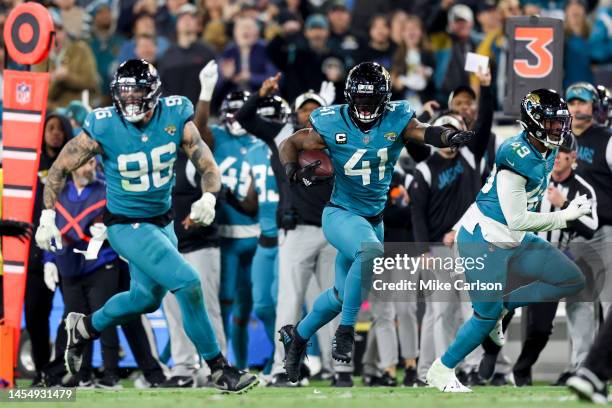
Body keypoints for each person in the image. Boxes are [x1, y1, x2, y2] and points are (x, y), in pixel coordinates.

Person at [34, 59, 257, 394]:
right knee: (189, 282)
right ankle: (219, 368)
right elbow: (60, 167)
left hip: (161, 221)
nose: (132, 99)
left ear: (153, 92)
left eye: (138, 91)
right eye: (125, 92)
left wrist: (209, 197)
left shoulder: (175, 114)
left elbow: (205, 159)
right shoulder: (104, 124)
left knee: (145, 299)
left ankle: (83, 328)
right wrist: (48, 215)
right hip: (125, 224)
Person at [277, 61, 473, 383]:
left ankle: (296, 336)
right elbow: (291, 143)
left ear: (383, 98)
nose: (366, 107)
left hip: (374, 218)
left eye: (372, 100)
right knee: (370, 252)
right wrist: (291, 172)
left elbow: (423, 132)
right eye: (361, 99)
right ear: (350, 96)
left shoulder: (397, 117)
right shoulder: (329, 121)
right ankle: (346, 330)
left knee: (342, 295)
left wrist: (448, 136)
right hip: (340, 214)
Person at [426, 89, 590, 393]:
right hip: (485, 238)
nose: (559, 128)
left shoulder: (548, 147)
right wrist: (565, 215)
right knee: (484, 317)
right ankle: (441, 369)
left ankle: (504, 304)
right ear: (534, 122)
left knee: (571, 280)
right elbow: (517, 218)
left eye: (561, 122)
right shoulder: (515, 153)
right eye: (553, 123)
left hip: (514, 237)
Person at [233, 74, 353, 387]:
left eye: (316, 109)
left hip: (333, 228)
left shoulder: (339, 134)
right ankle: (282, 369)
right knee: (288, 302)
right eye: (304, 109)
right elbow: (245, 118)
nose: (308, 115)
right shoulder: (285, 133)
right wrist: (260, 94)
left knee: (337, 300)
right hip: (296, 229)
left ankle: (339, 369)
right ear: (294, 114)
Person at [510, 134, 598, 387]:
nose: (557, 156)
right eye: (554, 150)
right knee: (497, 309)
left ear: (573, 157)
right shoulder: (535, 179)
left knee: (540, 327)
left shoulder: (582, 188)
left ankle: (521, 369)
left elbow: (590, 227)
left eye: (563, 152)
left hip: (552, 264)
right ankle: (489, 361)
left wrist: (566, 204)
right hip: (522, 256)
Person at [194, 62, 260, 371]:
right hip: (226, 235)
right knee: (221, 303)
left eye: (240, 111)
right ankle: (216, 362)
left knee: (252, 307)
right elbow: (199, 131)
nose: (235, 118)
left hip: (258, 235)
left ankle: (247, 364)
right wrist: (205, 93)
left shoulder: (263, 139)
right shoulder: (217, 136)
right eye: (231, 112)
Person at [25, 112, 72, 387]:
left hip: (68, 249)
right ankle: (42, 371)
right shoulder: (31, 165)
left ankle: (64, 369)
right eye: (50, 128)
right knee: (34, 313)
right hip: (34, 252)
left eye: (60, 128)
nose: (55, 133)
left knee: (73, 310)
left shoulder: (73, 163)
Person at [566, 82, 612, 319]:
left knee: (610, 299)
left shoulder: (607, 139)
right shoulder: (558, 141)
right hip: (573, 232)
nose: (577, 108)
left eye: (582, 102)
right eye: (572, 103)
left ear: (594, 106)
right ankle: (582, 359)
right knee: (578, 303)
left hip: (605, 231)